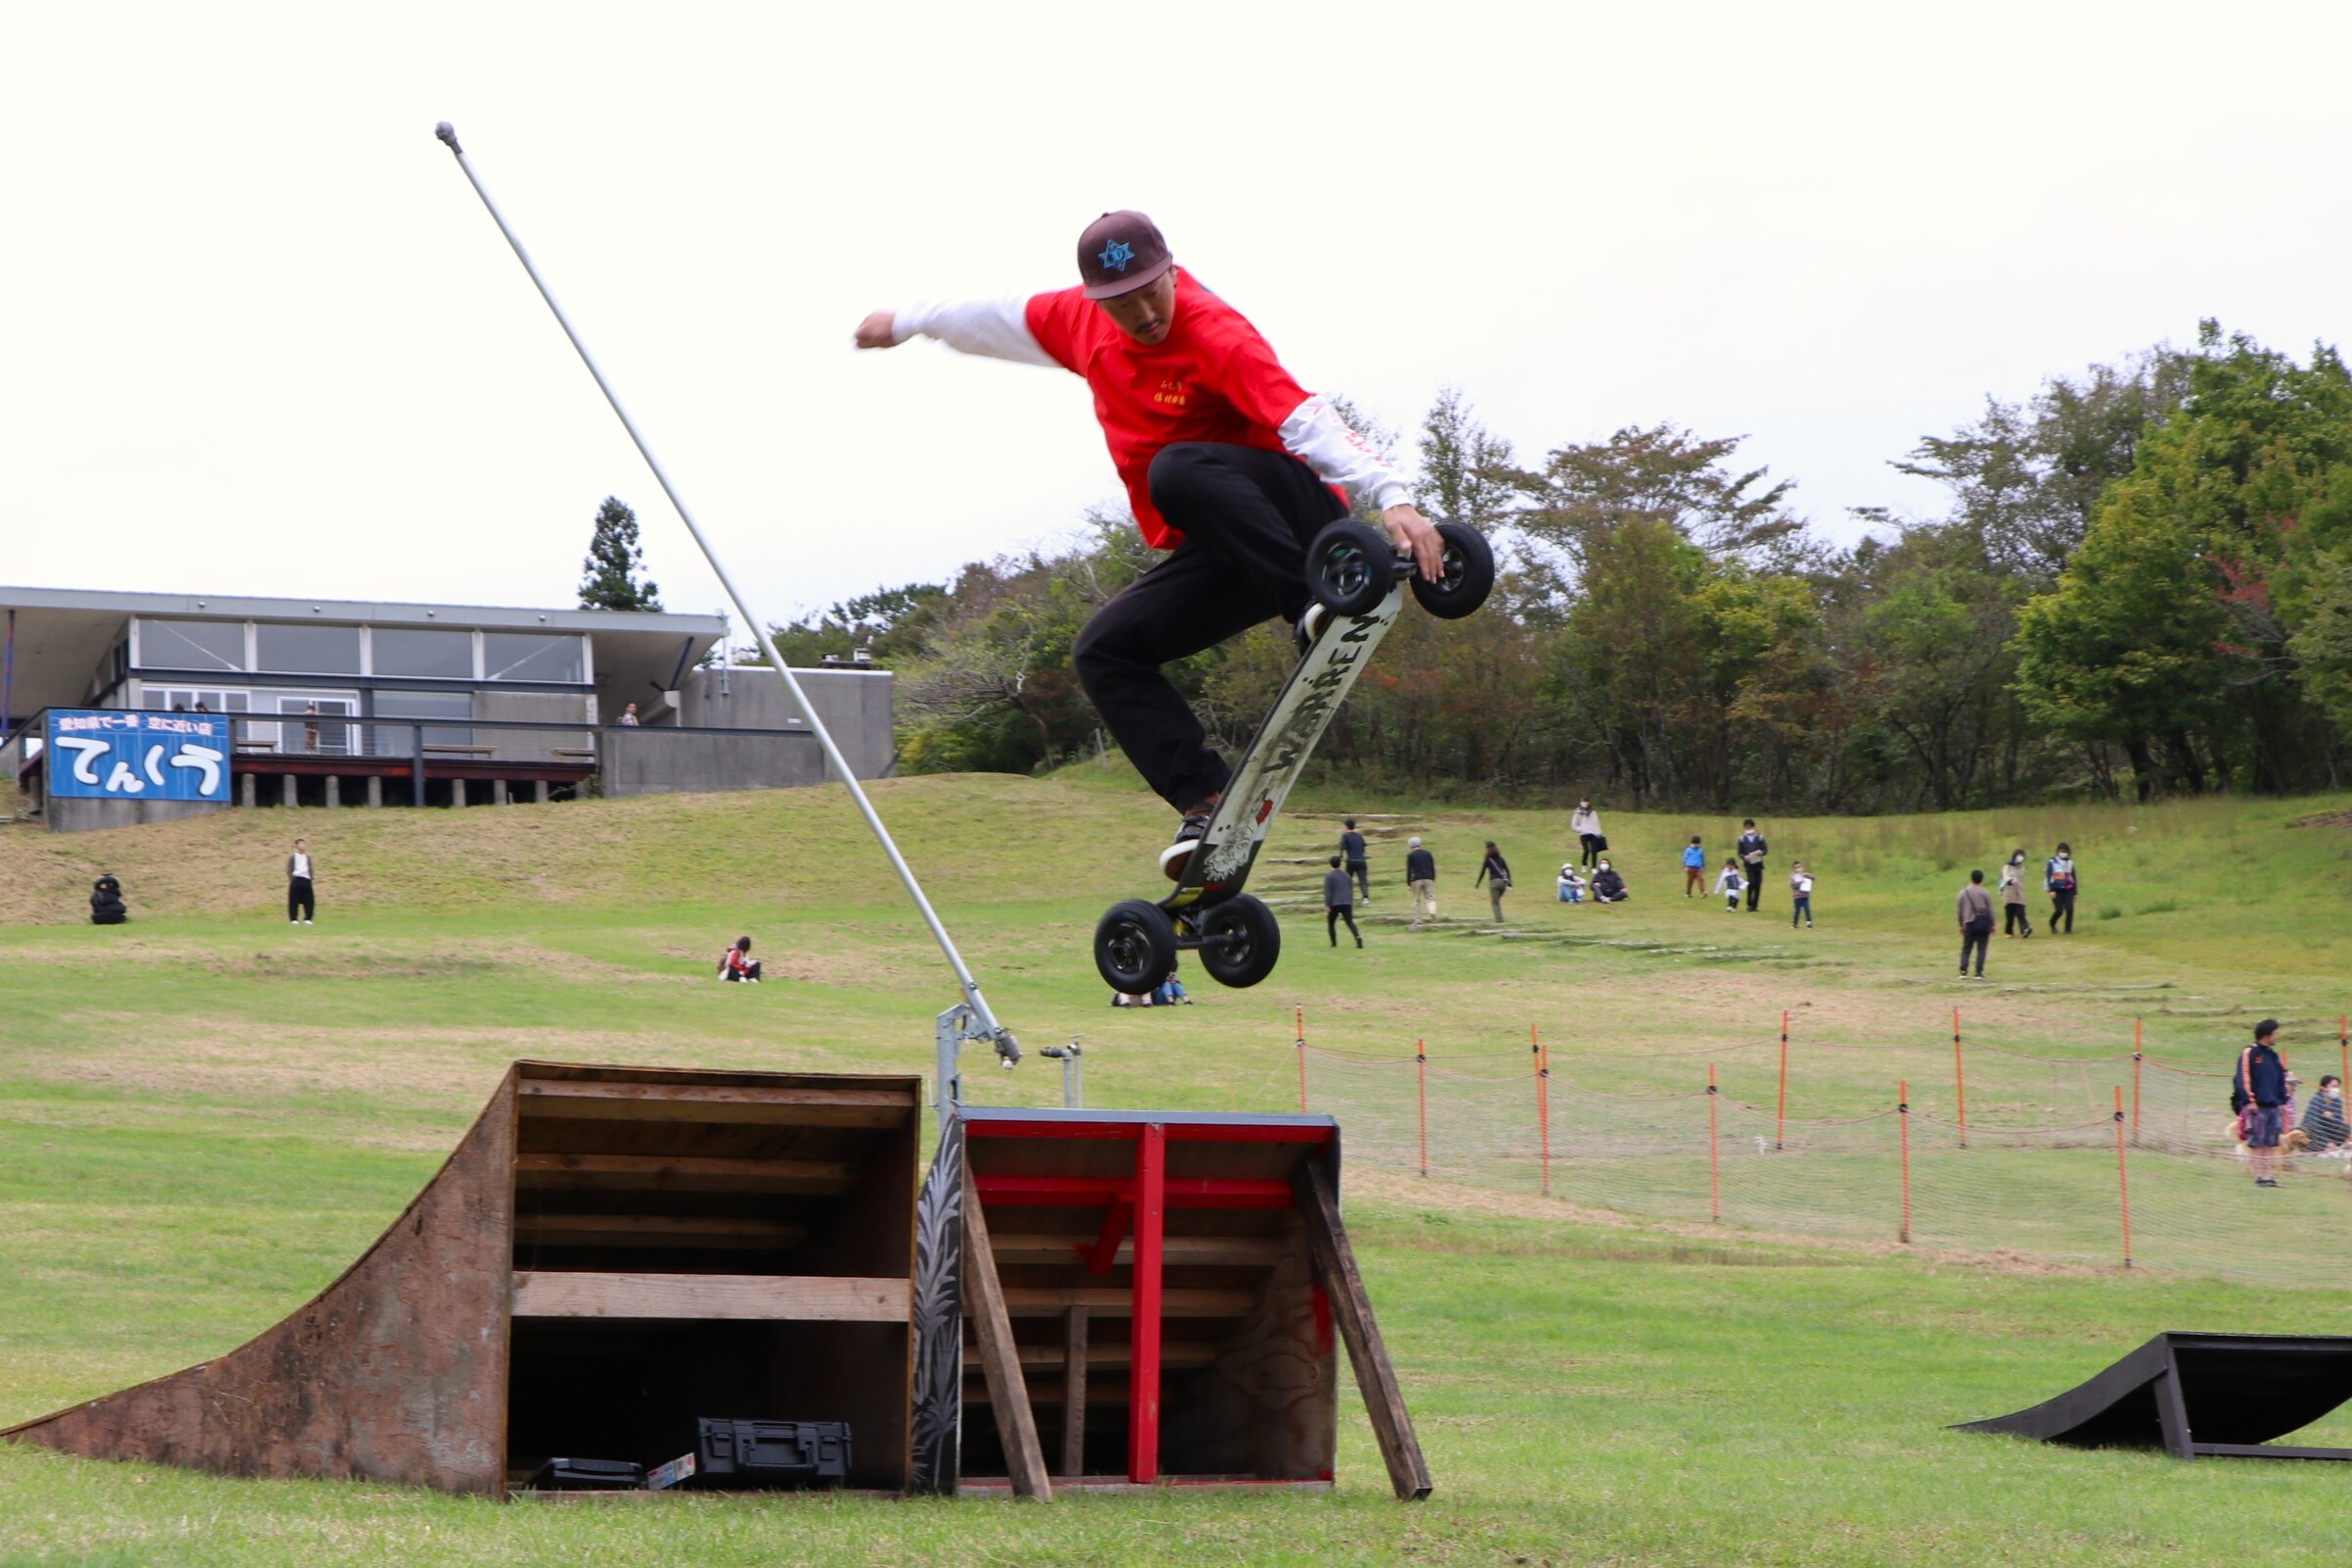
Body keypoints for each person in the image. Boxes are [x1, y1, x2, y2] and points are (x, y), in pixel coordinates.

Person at [857, 211, 1444, 879]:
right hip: (1230, 544)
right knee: (1104, 651)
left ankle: (1312, 600)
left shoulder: (1214, 331)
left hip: (1299, 524)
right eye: (1122, 304)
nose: (1143, 314)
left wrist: (1393, 495)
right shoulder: (1075, 322)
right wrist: (906, 322)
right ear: (1094, 301)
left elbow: (1304, 417)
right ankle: (1208, 801)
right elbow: (988, 318)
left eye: (1151, 292)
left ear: (1171, 270)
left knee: (1175, 469)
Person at [2234, 1020, 2289, 1187]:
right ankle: (2259, 1176)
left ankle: (2268, 1176)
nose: (2277, 1036)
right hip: (2257, 1106)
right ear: (2267, 1034)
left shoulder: (2273, 1055)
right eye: (2275, 1033)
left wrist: (2282, 1101)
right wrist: (2249, 1100)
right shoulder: (2250, 1052)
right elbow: (2243, 1078)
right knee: (2257, 1142)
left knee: (2271, 1142)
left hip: (2273, 1106)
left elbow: (2280, 1079)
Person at [1956, 869, 1994, 979]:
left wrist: (1960, 925)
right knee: (1981, 948)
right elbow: (1990, 909)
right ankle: (1978, 972)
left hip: (1969, 922)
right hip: (1982, 923)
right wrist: (1993, 924)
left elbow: (1960, 911)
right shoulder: (1985, 892)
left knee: (1967, 948)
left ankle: (1963, 971)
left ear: (1971, 878)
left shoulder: (1963, 893)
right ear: (1981, 880)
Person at [1323, 855, 1362, 949]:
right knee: (1350, 922)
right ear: (1340, 864)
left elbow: (1328, 891)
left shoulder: (1329, 876)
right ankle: (1358, 937)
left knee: (1331, 923)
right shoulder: (1347, 875)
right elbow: (1350, 888)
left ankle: (1334, 943)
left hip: (1334, 903)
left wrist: (1327, 904)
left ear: (1331, 864)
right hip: (1346, 902)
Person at [2303, 1075, 2349, 1152]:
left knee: (2345, 1128)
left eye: (2337, 1087)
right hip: (2316, 1130)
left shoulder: (2338, 1101)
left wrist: (2332, 1117)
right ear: (2325, 1087)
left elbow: (2340, 1121)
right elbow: (2311, 1121)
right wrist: (2327, 1141)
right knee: (2314, 1125)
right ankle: (2325, 1146)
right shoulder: (2316, 1100)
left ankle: (2336, 1146)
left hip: (2330, 1129)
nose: (2336, 1089)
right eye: (2334, 1086)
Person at [1998, 849, 2034, 938]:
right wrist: (2010, 880)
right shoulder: (2007, 867)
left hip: (2020, 895)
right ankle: (2009, 931)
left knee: (2021, 913)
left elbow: (2022, 881)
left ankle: (2025, 929)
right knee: (2010, 916)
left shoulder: (2022, 868)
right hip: (2008, 895)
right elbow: (2005, 876)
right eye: (2019, 856)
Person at [1475, 841, 1512, 922]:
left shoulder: (1487, 860)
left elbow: (1482, 872)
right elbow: (1507, 870)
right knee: (1497, 901)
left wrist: (1478, 883)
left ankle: (1499, 920)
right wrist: (1509, 884)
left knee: (1495, 902)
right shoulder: (1501, 859)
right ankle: (1500, 918)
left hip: (1494, 883)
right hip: (1503, 883)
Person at [1737, 819, 1768, 912]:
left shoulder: (1760, 837)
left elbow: (1765, 850)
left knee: (1758, 884)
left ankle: (1755, 905)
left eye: (1750, 827)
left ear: (1753, 827)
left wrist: (1762, 852)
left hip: (1758, 864)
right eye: (1747, 827)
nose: (1748, 829)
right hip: (1748, 864)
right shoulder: (1742, 839)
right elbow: (1739, 852)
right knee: (1751, 882)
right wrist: (1744, 857)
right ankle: (1749, 903)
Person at [1405, 836, 1438, 928]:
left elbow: (1409, 870)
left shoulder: (1411, 855)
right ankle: (1432, 913)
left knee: (1416, 900)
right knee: (1430, 897)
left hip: (1417, 879)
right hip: (1429, 878)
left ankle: (1418, 920)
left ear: (1410, 845)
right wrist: (1432, 878)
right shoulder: (1428, 853)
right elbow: (1432, 867)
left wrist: (1408, 883)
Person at [2045, 843, 2078, 935]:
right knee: (2059, 910)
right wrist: (2051, 890)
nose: (2063, 853)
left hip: (2068, 889)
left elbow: (2073, 877)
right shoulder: (2052, 861)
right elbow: (2049, 876)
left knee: (2070, 909)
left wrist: (2075, 893)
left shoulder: (2070, 862)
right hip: (2057, 889)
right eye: (2062, 851)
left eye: (2065, 851)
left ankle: (2068, 930)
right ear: (2058, 851)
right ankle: (2052, 923)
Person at [1339, 817, 1370, 902]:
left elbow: (1342, 847)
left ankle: (1348, 897)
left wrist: (1341, 857)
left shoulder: (1345, 836)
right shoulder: (1359, 836)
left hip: (1351, 860)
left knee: (1348, 879)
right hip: (1361, 860)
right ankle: (1365, 897)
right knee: (1363, 880)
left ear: (1346, 827)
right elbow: (1363, 847)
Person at [286, 838, 317, 925]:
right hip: (296, 878)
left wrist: (310, 878)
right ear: (296, 846)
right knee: (293, 900)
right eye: (299, 844)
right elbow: (289, 869)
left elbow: (310, 868)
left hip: (306, 879)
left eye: (303, 844)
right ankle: (294, 919)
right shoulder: (293, 857)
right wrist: (292, 878)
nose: (302, 845)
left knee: (309, 900)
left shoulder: (307, 857)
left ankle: (308, 918)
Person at [1571, 798, 1604, 868]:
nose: (1584, 803)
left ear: (1588, 803)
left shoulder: (1593, 812)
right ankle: (1584, 864)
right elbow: (1574, 824)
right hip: (1583, 834)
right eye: (1582, 802)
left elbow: (1596, 823)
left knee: (1594, 850)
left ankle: (1593, 867)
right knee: (1586, 850)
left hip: (1593, 833)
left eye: (1585, 802)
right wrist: (1580, 829)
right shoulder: (1578, 812)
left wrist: (1599, 833)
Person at [1789, 861, 1814, 929]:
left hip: (1805, 896)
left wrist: (1807, 875)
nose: (1798, 869)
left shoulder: (1804, 875)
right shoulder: (1793, 877)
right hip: (1797, 897)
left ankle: (1809, 923)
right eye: (1796, 867)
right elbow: (1793, 885)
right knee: (1797, 910)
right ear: (1794, 869)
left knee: (1807, 910)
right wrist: (1800, 882)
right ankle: (1795, 923)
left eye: (1800, 867)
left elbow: (1813, 878)